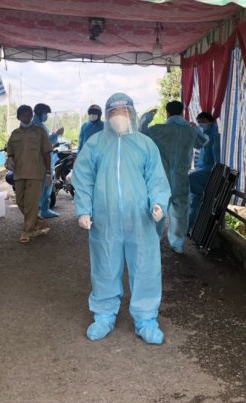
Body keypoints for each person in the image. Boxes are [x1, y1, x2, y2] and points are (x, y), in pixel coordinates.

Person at [73, 92, 171, 345]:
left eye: (123, 112)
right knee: (104, 265)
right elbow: (83, 178)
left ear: (132, 114)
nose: (118, 117)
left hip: (141, 219)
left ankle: (146, 319)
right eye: (113, 113)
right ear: (107, 116)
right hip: (105, 221)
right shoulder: (95, 144)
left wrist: (158, 203)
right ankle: (104, 314)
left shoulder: (145, 145)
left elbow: (156, 179)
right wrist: (83, 209)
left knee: (145, 267)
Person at [139, 101, 208, 254]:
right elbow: (202, 142)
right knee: (180, 212)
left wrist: (147, 117)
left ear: (167, 113)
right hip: (181, 178)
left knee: (157, 210)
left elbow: (141, 134)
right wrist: (196, 128)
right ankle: (177, 244)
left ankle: (153, 241)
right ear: (182, 112)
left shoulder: (159, 130)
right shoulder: (190, 131)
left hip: (161, 180)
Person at [7, 105, 52, 243]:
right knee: (20, 202)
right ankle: (38, 222)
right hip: (19, 173)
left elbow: (47, 153)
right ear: (18, 117)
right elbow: (10, 152)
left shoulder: (40, 132)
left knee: (31, 203)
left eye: (29, 115)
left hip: (35, 173)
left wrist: (48, 172)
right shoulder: (14, 134)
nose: (27, 117)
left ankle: (27, 231)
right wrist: (10, 159)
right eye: (24, 115)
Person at [188, 112, 221, 231]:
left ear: (210, 122)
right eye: (199, 122)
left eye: (203, 121)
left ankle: (192, 226)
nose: (200, 124)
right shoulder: (203, 136)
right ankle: (191, 226)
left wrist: (216, 172)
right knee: (193, 201)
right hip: (201, 170)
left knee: (190, 181)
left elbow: (217, 158)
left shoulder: (215, 136)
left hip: (209, 170)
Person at [31, 103, 60, 219]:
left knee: (46, 186)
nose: (46, 115)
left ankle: (44, 210)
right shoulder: (35, 126)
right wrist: (56, 135)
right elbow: (46, 143)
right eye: (45, 113)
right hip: (40, 162)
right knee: (41, 187)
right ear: (39, 113)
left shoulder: (40, 125)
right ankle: (38, 212)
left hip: (44, 160)